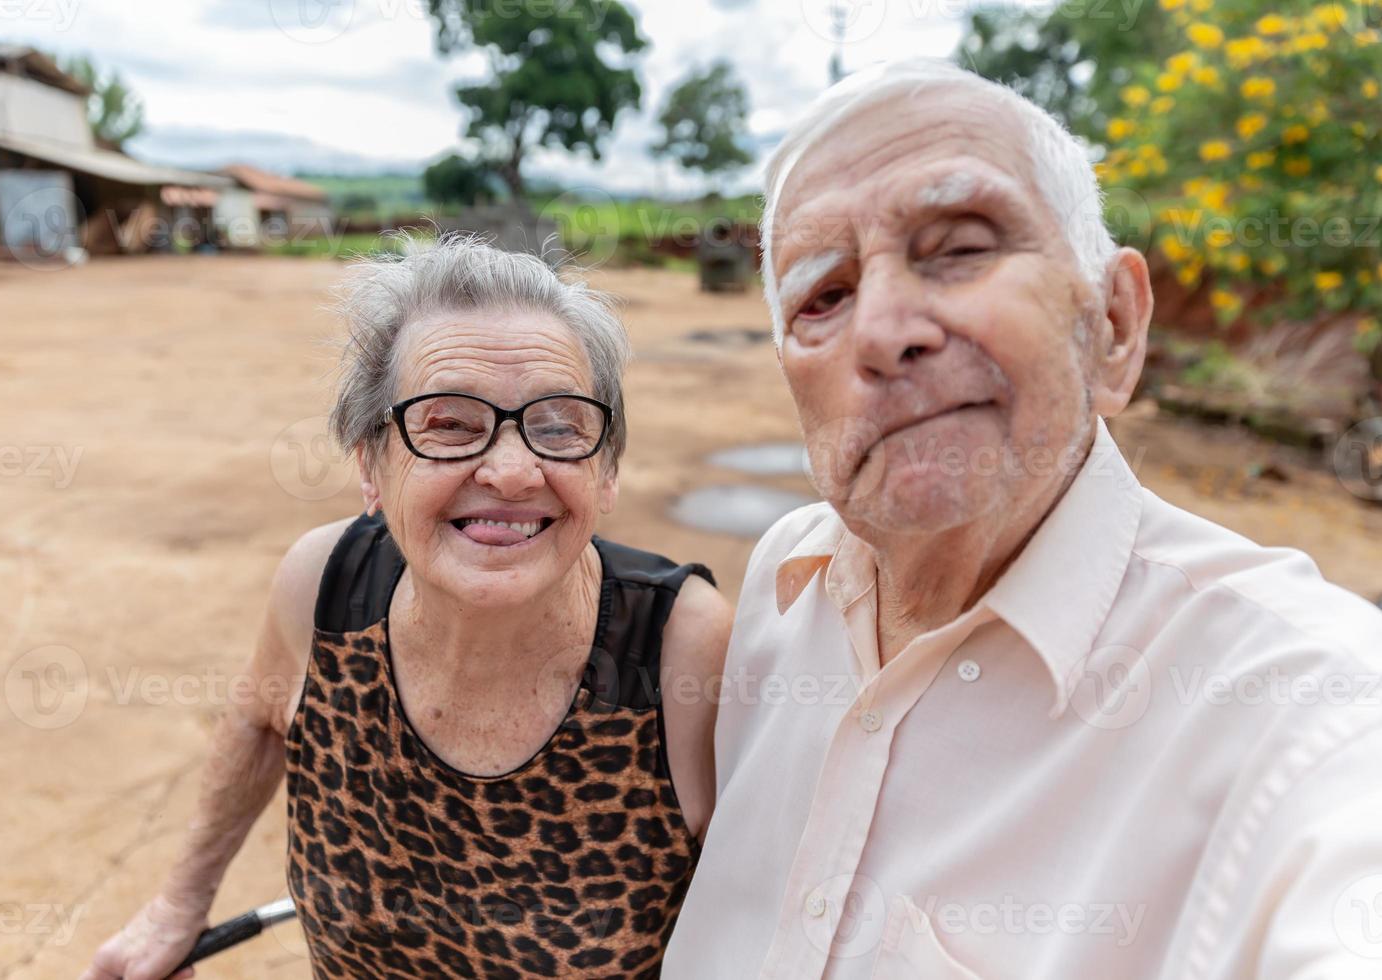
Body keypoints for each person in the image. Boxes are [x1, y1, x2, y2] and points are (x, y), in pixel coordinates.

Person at [664, 59, 1382, 978]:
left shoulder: (1306, 714)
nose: (882, 331)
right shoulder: (783, 585)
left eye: (960, 247)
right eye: (823, 297)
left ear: (1114, 326)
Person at [83, 236, 732, 980]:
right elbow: (259, 722)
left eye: (559, 426)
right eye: (449, 423)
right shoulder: (324, 589)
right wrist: (177, 904)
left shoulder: (681, 648)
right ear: (370, 464)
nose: (514, 471)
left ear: (607, 471)